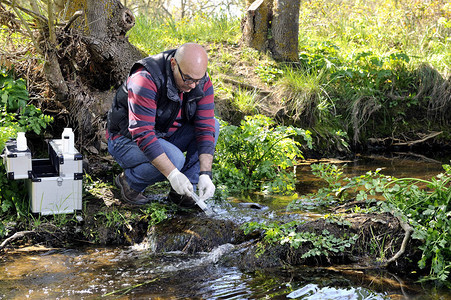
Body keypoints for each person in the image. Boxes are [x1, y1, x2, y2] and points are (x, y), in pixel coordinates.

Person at [106, 43, 219, 208]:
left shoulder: (200, 82)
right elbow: (143, 134)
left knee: (214, 125)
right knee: (175, 159)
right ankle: (130, 182)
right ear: (174, 64)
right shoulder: (145, 78)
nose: (193, 86)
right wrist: (173, 174)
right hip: (124, 139)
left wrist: (205, 174)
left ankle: (184, 192)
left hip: (164, 135)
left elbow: (205, 128)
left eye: (198, 80)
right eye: (187, 78)